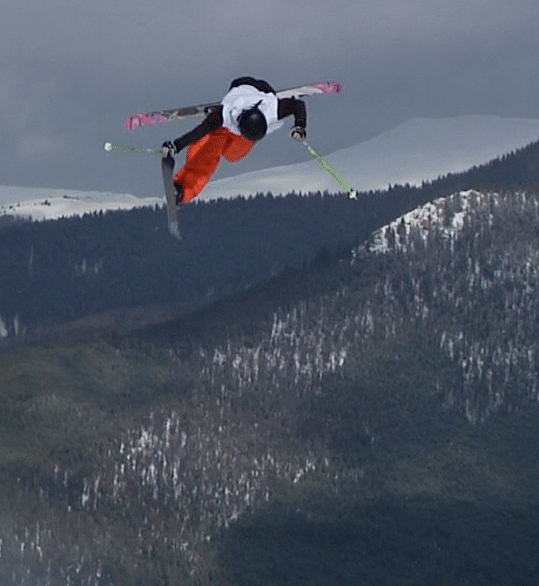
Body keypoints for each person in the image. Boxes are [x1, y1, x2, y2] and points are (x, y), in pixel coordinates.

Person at [161, 77, 307, 205]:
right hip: (234, 109)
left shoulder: (272, 110)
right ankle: (182, 190)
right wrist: (176, 146)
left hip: (261, 97)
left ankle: (238, 140)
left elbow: (298, 105)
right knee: (205, 150)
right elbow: (199, 132)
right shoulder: (224, 114)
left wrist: (299, 126)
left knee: (233, 155)